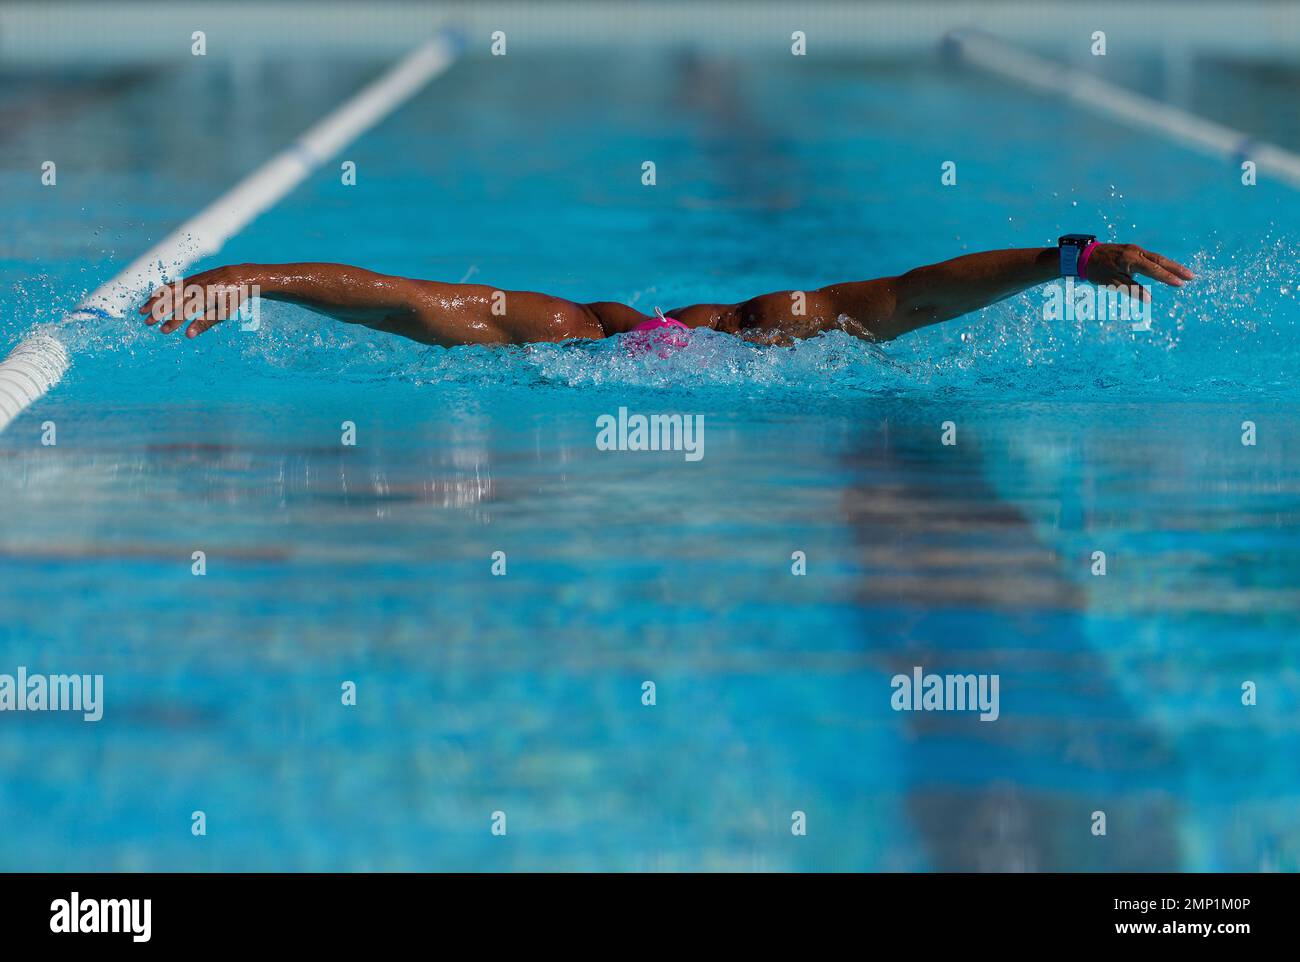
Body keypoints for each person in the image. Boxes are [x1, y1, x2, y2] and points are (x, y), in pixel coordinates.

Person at [139, 239, 1192, 346]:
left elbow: (914, 294)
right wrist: (247, 278)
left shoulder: (781, 328)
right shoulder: (576, 338)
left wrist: (1069, 259)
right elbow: (400, 297)